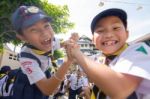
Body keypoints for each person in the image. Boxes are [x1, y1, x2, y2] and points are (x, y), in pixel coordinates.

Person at [65, 8, 150, 99]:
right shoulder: (99, 58)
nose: (109, 34)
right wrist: (72, 45)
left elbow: (120, 89)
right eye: (100, 30)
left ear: (127, 33)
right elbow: (76, 62)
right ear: (93, 40)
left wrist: (78, 53)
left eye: (116, 28)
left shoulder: (138, 50)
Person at [10, 5, 74, 99]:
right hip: (28, 85)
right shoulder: (26, 57)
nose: (45, 33)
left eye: (46, 25)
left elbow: (60, 44)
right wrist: (67, 62)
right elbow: (47, 89)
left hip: (44, 73)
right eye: (34, 30)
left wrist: (70, 41)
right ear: (22, 37)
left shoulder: (50, 41)